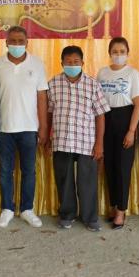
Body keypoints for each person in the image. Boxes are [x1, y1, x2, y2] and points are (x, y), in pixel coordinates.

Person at [46, 46, 109, 232]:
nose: (72, 65)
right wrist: (48, 137)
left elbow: (100, 115)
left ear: (83, 63)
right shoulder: (53, 84)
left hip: (86, 141)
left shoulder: (93, 84)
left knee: (87, 181)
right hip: (62, 140)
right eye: (68, 62)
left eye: (76, 62)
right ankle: (67, 214)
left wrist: (99, 144)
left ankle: (90, 217)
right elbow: (49, 113)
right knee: (64, 180)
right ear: (61, 63)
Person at [0, 26, 48, 228]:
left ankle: (27, 209)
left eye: (20, 41)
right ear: (6, 42)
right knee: (5, 172)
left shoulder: (37, 64)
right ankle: (7, 209)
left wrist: (43, 127)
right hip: (3, 128)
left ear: (27, 42)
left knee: (29, 171)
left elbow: (42, 98)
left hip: (29, 128)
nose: (17, 44)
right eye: (13, 41)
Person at [97, 37, 139, 229]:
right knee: (110, 166)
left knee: (123, 168)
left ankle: (121, 210)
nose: (118, 55)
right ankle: (113, 205)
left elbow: (138, 104)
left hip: (125, 119)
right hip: (106, 119)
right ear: (109, 53)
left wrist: (131, 131)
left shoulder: (133, 74)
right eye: (115, 52)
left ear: (127, 53)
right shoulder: (102, 72)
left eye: (122, 52)